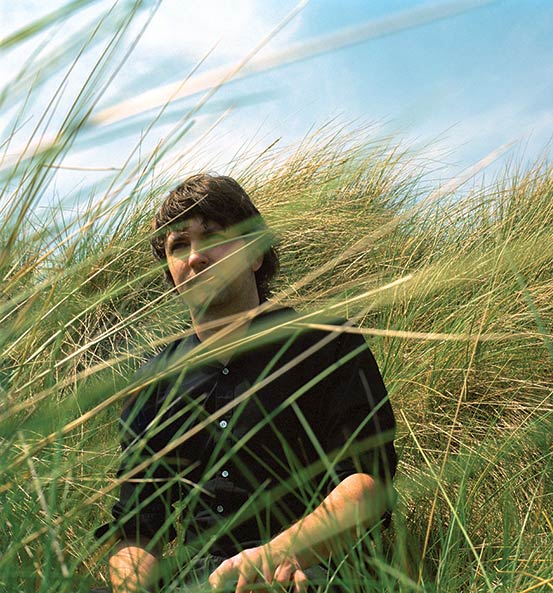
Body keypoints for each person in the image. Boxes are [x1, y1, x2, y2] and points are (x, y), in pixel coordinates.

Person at [96, 174, 397, 592]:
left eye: (213, 236)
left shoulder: (325, 344)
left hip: (309, 569)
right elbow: (138, 529)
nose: (195, 257)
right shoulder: (155, 381)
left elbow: (367, 484)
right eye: (179, 245)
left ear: (255, 252)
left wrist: (277, 556)